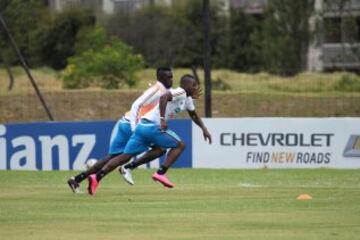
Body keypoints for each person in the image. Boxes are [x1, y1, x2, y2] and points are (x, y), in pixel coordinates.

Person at [87, 74, 212, 195]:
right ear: (185, 85)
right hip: (152, 126)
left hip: (142, 126)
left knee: (126, 156)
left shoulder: (188, 99)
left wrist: (204, 128)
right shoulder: (180, 92)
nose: (196, 87)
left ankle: (96, 177)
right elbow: (164, 97)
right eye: (194, 85)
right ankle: (160, 173)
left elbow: (194, 115)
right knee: (180, 145)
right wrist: (162, 119)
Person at [67, 67, 173, 193]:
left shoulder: (165, 91)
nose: (171, 79)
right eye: (169, 77)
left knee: (113, 157)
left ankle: (77, 179)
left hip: (125, 122)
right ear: (160, 78)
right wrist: (135, 129)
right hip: (134, 125)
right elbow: (136, 105)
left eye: (172, 76)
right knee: (160, 149)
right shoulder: (158, 90)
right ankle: (125, 168)